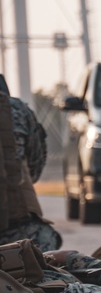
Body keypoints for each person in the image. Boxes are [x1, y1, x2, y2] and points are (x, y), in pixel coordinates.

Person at [0, 76, 61, 251]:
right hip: (16, 231)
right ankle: (86, 270)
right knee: (46, 255)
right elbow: (34, 167)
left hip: (14, 232)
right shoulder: (16, 109)